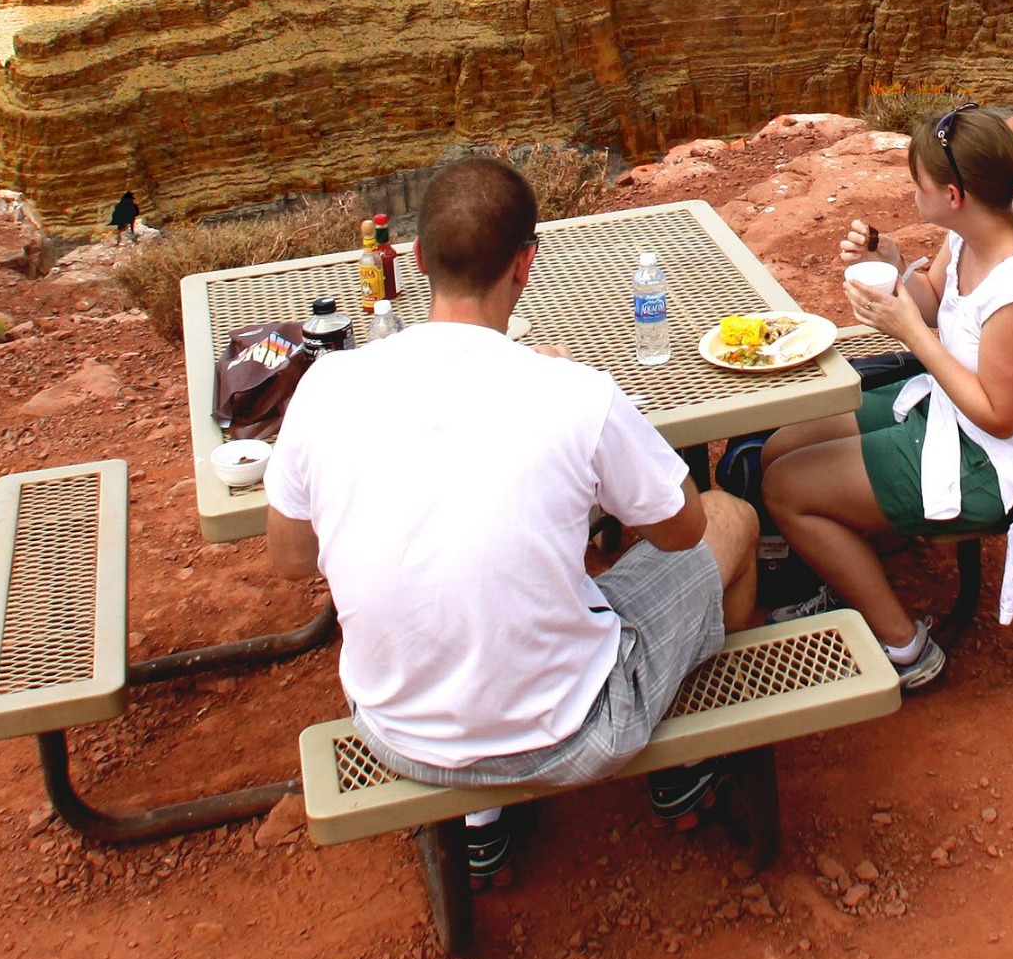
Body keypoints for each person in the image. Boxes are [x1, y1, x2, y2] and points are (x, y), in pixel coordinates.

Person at [263, 156, 759, 885]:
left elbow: (291, 557)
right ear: (526, 263)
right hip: (571, 732)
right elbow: (683, 531)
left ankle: (481, 825)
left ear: (420, 258)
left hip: (397, 731)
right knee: (732, 517)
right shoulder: (570, 393)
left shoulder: (328, 385)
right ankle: (686, 763)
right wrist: (590, 418)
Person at [759, 102, 1013, 689]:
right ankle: (851, 547)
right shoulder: (972, 233)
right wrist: (890, 263)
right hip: (951, 410)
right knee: (780, 444)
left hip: (992, 461)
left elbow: (1001, 416)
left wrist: (907, 329)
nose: (912, 194)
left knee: (786, 488)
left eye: (918, 183)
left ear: (954, 194)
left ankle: (906, 649)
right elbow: (936, 298)